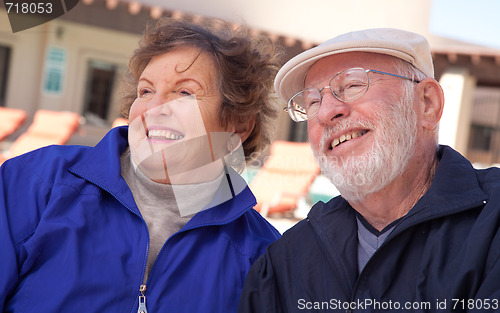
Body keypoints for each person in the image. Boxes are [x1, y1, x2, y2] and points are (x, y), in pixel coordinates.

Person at [0, 18, 282, 312]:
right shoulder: (36, 182)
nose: (154, 107)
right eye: (145, 91)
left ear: (238, 124)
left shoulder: (262, 255)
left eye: (184, 92)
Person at [238, 28, 500, 313]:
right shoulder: (284, 262)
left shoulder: (492, 227)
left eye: (352, 85)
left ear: (427, 104)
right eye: (312, 102)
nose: (326, 113)